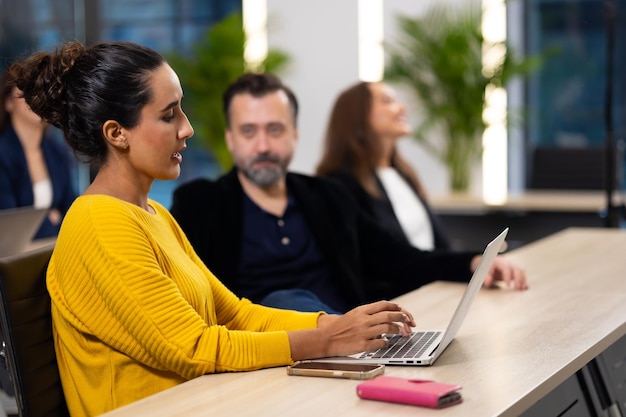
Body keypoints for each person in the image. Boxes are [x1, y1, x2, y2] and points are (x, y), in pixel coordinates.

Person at [7, 41, 416, 417]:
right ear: (117, 134)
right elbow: (194, 348)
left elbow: (233, 315)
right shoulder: (98, 223)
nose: (187, 129)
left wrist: (333, 325)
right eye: (169, 115)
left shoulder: (152, 214)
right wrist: (327, 342)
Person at [170, 73, 527, 316]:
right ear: (231, 139)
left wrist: (473, 263)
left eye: (274, 129)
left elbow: (399, 259)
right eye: (249, 131)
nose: (262, 145)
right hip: (267, 353)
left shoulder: (327, 196)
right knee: (285, 301)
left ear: (294, 134)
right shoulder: (201, 204)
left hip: (354, 346)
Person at [316, 81, 450, 251]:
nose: (402, 108)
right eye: (387, 101)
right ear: (359, 114)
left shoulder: (404, 174)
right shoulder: (342, 184)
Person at [0, 69, 77, 238]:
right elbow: (7, 224)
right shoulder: (3, 153)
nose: (36, 98)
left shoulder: (58, 151)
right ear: (8, 103)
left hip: (51, 249)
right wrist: (51, 220)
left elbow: (71, 212)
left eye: (41, 92)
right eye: (27, 92)